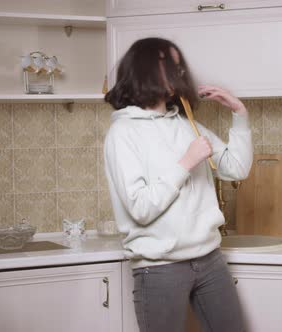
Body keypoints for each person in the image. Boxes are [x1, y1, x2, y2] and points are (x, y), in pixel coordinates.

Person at [103, 37, 253, 332]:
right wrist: (185, 163)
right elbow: (141, 208)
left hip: (210, 260)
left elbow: (236, 169)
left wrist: (239, 113)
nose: (179, 72)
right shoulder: (123, 133)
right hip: (159, 268)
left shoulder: (186, 124)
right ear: (144, 69)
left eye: (179, 66)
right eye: (170, 65)